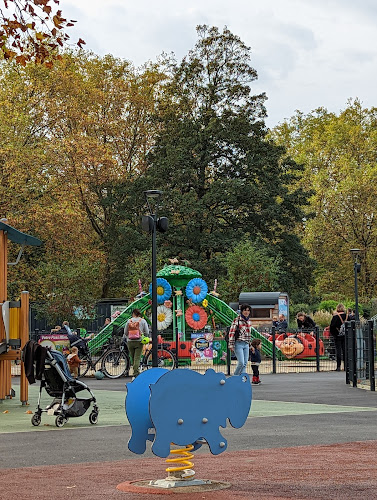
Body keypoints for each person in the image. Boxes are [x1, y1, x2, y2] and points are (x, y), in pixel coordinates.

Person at [228, 304, 254, 375]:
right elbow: (232, 332)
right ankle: (235, 377)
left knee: (245, 363)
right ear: (242, 311)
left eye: (248, 310)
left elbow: (249, 335)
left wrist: (250, 345)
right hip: (238, 343)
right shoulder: (237, 320)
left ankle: (242, 380)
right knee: (241, 362)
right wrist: (231, 345)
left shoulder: (249, 321)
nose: (246, 312)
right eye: (245, 310)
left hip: (246, 344)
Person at [123, 309, 149, 379]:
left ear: (133, 314)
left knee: (132, 357)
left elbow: (125, 332)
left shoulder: (129, 321)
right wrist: (144, 335)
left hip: (130, 341)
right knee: (137, 358)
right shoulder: (142, 321)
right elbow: (147, 331)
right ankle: (136, 372)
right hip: (139, 341)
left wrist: (128, 336)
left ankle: (135, 370)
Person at [330, 303, 348, 371]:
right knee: (345, 350)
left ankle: (338, 366)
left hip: (337, 336)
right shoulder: (347, 316)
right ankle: (346, 366)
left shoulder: (335, 317)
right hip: (345, 336)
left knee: (338, 351)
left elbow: (332, 327)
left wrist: (334, 334)